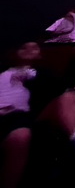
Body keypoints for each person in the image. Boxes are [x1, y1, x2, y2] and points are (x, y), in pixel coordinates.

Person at [0, 42, 48, 188]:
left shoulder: (39, 74)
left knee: (21, 136)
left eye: (34, 47)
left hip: (16, 115)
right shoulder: (3, 73)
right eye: (23, 47)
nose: (28, 49)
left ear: (40, 55)